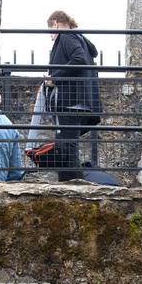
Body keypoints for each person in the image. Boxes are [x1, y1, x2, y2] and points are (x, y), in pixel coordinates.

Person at [43, 10, 102, 182]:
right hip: (78, 101)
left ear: (55, 23)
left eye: (50, 31)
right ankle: (70, 186)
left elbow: (79, 60)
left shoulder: (67, 36)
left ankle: (73, 187)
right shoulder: (78, 37)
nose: (50, 36)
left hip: (71, 102)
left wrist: (54, 78)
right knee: (66, 146)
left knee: (67, 148)